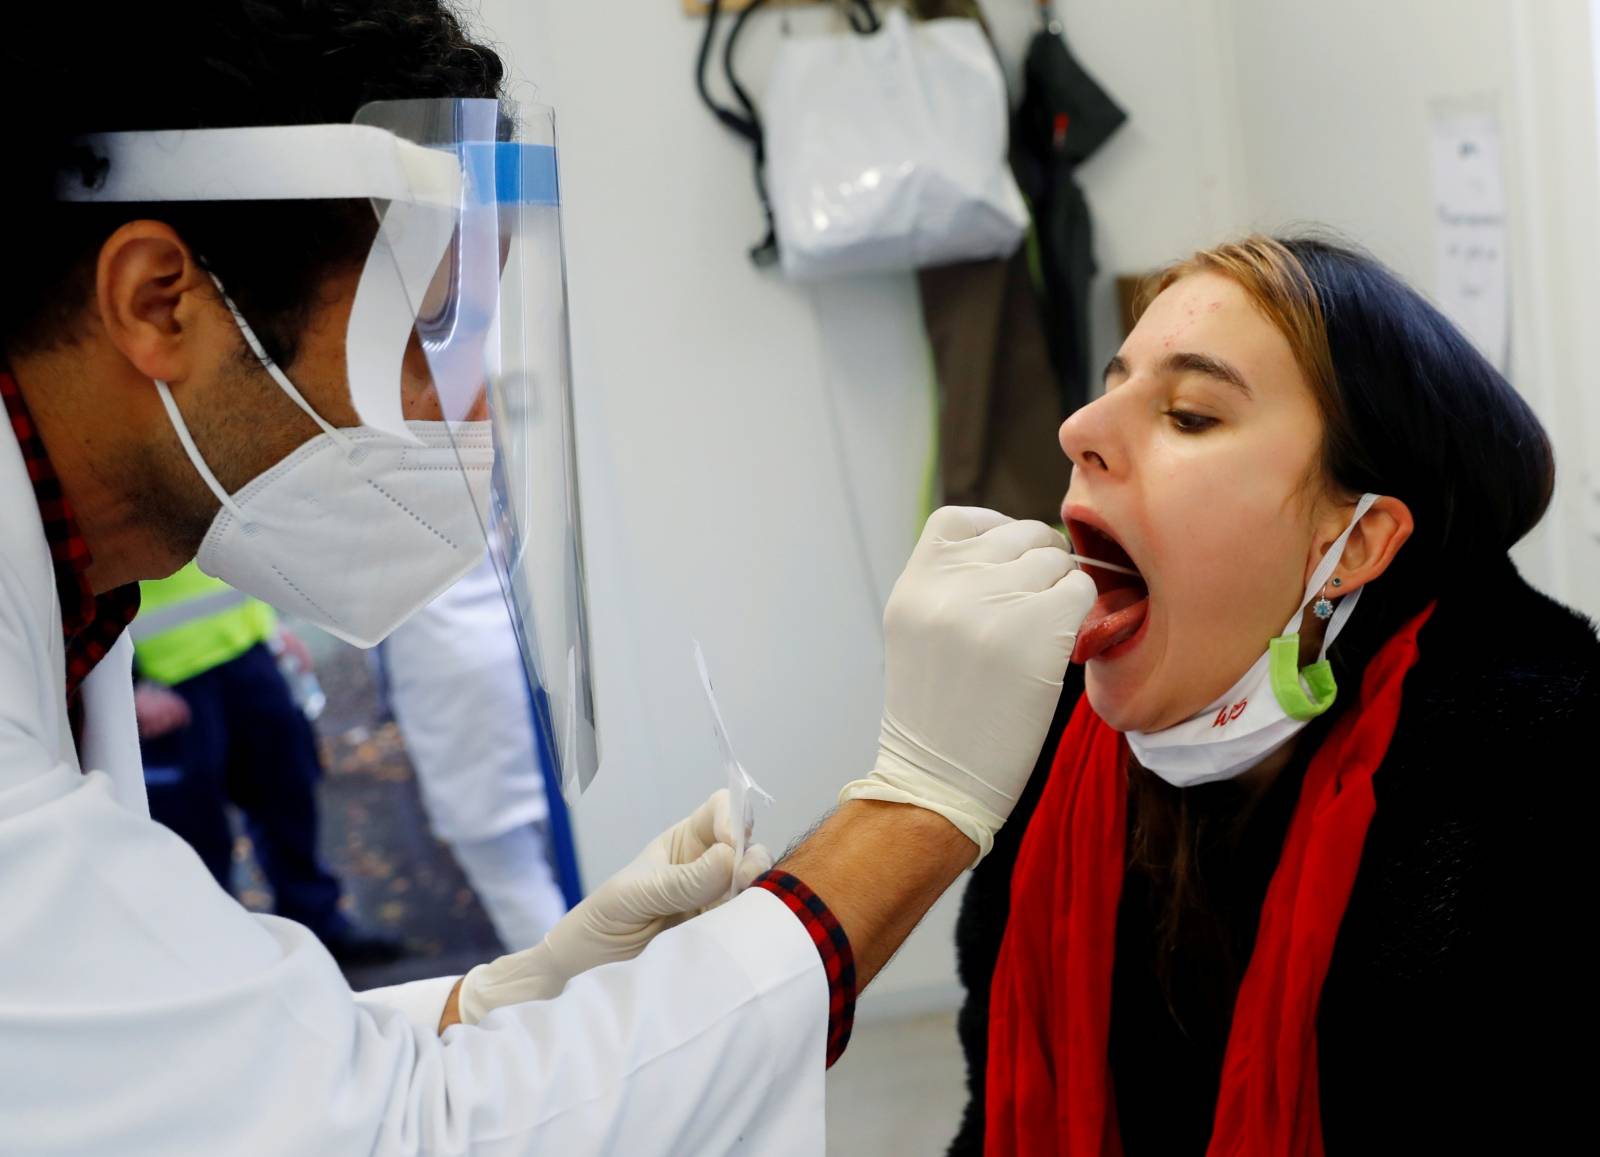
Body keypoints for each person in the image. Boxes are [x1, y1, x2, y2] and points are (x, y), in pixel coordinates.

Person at [0, 3, 1098, 1152]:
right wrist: (918, 805)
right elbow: (394, 1139)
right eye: (425, 333)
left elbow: (208, 1081)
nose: (469, 412)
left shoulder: (69, 600)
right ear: (158, 300)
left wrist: (504, 997)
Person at [950, 236, 1598, 1156]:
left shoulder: (1538, 781)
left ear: (1360, 541)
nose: (1078, 428)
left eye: (1187, 414)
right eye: (1113, 381)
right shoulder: (1053, 736)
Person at [133, 562, 403, 965]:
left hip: (248, 653)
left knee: (288, 799)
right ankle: (219, 962)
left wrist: (271, 629)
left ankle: (319, 929)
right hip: (165, 685)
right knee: (193, 839)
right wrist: (129, 685)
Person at [378, 553, 571, 951]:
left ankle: (576, 991)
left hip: (449, 668)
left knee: (506, 869)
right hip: (506, 641)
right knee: (544, 843)